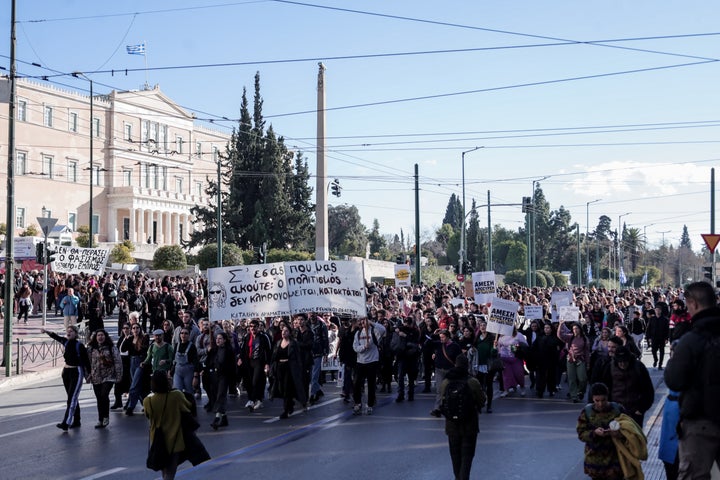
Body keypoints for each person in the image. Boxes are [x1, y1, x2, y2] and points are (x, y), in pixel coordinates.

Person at [664, 281, 720, 480]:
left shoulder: (691, 339)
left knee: (694, 475)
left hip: (700, 421)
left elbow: (674, 380)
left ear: (694, 304)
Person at [439, 354, 485, 480]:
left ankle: (457, 477)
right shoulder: (472, 382)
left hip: (451, 425)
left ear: (455, 364)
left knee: (455, 456)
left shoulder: (446, 381)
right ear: (467, 365)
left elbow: (441, 401)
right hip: (470, 424)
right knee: (467, 456)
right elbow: (482, 401)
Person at [40, 325, 91, 431]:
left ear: (76, 334)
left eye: (71, 331)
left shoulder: (79, 346)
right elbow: (56, 337)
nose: (69, 333)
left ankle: (66, 423)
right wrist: (46, 331)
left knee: (71, 399)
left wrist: (89, 374)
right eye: (68, 331)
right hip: (66, 372)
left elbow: (86, 361)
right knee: (72, 397)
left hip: (76, 372)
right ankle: (77, 420)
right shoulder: (66, 342)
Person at [144, 371, 191, 480]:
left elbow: (148, 415)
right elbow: (187, 407)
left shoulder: (148, 401)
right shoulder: (176, 396)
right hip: (175, 440)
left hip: (157, 440)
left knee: (164, 469)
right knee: (170, 472)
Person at [577, 382, 624, 480]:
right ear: (592, 398)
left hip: (615, 460)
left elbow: (630, 430)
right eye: (597, 400)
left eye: (603, 400)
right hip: (594, 462)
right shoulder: (587, 412)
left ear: (608, 397)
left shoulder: (617, 410)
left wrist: (618, 434)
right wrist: (594, 433)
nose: (600, 404)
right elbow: (581, 433)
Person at [599, 346, 655, 427]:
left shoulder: (639, 367)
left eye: (625, 361)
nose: (623, 364)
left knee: (634, 437)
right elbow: (603, 389)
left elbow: (648, 390)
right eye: (620, 361)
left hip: (635, 410)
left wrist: (641, 409)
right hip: (615, 410)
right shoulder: (609, 368)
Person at [87, 328, 123, 428]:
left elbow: (117, 361)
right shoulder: (91, 349)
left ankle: (106, 417)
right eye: (98, 335)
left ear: (105, 336)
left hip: (109, 376)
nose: (100, 337)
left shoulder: (111, 348)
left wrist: (119, 376)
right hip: (96, 377)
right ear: (95, 337)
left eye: (102, 335)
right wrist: (88, 375)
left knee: (104, 395)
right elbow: (87, 363)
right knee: (99, 398)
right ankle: (100, 419)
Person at [270, 325, 308, 418]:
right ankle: (290, 403)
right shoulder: (278, 343)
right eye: (283, 330)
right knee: (281, 389)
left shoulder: (293, 343)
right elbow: (274, 356)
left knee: (287, 389)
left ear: (290, 333)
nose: (283, 332)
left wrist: (300, 369)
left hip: (290, 369)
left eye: (286, 331)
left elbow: (298, 358)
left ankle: (286, 410)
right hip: (280, 368)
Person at [352, 316, 386, 415]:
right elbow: (355, 347)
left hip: (372, 361)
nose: (362, 323)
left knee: (371, 384)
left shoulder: (374, 332)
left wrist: (371, 322)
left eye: (364, 320)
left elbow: (383, 329)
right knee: (357, 383)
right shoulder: (358, 333)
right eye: (361, 321)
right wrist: (363, 347)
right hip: (361, 361)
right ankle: (358, 403)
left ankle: (370, 404)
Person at [238, 318, 272, 411]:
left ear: (258, 327)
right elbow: (242, 349)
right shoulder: (247, 336)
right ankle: (255, 399)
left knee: (256, 381)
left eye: (255, 327)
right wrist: (240, 358)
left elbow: (268, 351)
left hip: (259, 361)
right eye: (251, 326)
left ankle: (253, 400)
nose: (253, 328)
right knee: (248, 381)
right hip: (249, 361)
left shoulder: (263, 337)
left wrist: (267, 363)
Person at [206, 331, 236, 429]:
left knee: (220, 396)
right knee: (216, 395)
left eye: (220, 339)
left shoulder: (229, 350)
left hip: (225, 376)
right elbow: (209, 362)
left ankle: (217, 418)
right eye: (217, 339)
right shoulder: (214, 350)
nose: (218, 340)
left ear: (224, 340)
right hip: (215, 376)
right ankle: (224, 418)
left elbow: (232, 366)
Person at [431, 328, 462, 416]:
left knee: (451, 390)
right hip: (439, 370)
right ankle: (437, 408)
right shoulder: (439, 344)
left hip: (450, 371)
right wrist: (433, 335)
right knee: (440, 390)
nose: (441, 339)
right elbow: (427, 343)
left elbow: (459, 358)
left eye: (443, 337)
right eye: (440, 337)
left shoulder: (455, 346)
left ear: (448, 337)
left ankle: (452, 408)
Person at [558, 320, 590, 403]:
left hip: (581, 359)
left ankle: (580, 392)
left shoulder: (584, 339)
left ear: (580, 329)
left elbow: (587, 351)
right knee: (572, 378)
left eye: (576, 328)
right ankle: (574, 395)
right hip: (571, 359)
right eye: (573, 329)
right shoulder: (570, 337)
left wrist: (588, 363)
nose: (575, 330)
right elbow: (560, 335)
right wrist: (561, 324)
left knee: (583, 378)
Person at [497, 326, 528, 398]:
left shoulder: (518, 335)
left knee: (519, 374)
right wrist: (496, 346)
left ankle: (522, 387)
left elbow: (525, 345)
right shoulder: (501, 336)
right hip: (504, 358)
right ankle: (506, 390)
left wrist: (517, 347)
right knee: (506, 376)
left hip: (516, 358)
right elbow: (498, 346)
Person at [646, 302, 670, 370]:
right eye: (656, 310)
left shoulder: (665, 319)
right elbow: (648, 329)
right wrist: (648, 337)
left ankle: (660, 364)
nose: (657, 311)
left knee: (662, 351)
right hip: (654, 337)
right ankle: (656, 359)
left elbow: (667, 329)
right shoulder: (652, 319)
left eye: (659, 310)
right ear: (655, 310)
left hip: (662, 338)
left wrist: (666, 338)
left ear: (661, 311)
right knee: (653, 350)